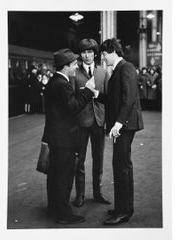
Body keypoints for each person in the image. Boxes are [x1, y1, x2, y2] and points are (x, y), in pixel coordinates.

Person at [41, 48, 97, 224]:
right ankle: (64, 214)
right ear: (65, 67)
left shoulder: (54, 82)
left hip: (55, 137)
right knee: (64, 178)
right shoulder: (63, 84)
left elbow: (65, 105)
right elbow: (73, 107)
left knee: (54, 176)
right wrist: (88, 90)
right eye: (74, 64)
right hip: (64, 138)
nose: (76, 66)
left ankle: (54, 209)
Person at [96, 38, 144, 225]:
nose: (103, 58)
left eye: (104, 54)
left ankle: (124, 211)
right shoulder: (119, 69)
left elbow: (129, 98)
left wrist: (118, 123)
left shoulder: (126, 68)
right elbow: (115, 99)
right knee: (120, 165)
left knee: (122, 165)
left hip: (125, 126)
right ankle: (122, 207)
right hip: (122, 125)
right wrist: (97, 95)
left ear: (112, 52)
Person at [70, 38, 111, 207]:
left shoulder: (103, 73)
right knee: (79, 160)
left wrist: (108, 122)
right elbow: (71, 99)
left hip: (99, 121)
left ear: (95, 53)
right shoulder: (74, 73)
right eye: (83, 52)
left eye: (90, 52)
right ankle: (80, 194)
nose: (87, 55)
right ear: (80, 54)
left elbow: (107, 98)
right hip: (80, 123)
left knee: (98, 159)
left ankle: (98, 193)